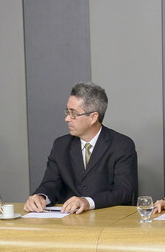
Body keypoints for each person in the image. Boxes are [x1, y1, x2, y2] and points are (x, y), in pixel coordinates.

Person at [24, 82, 137, 215]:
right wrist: (41, 197)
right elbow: (50, 184)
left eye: (73, 113)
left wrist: (87, 202)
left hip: (107, 219)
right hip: (68, 220)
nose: (67, 118)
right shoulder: (61, 145)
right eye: (67, 112)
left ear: (93, 117)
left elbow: (124, 192)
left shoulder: (122, 145)